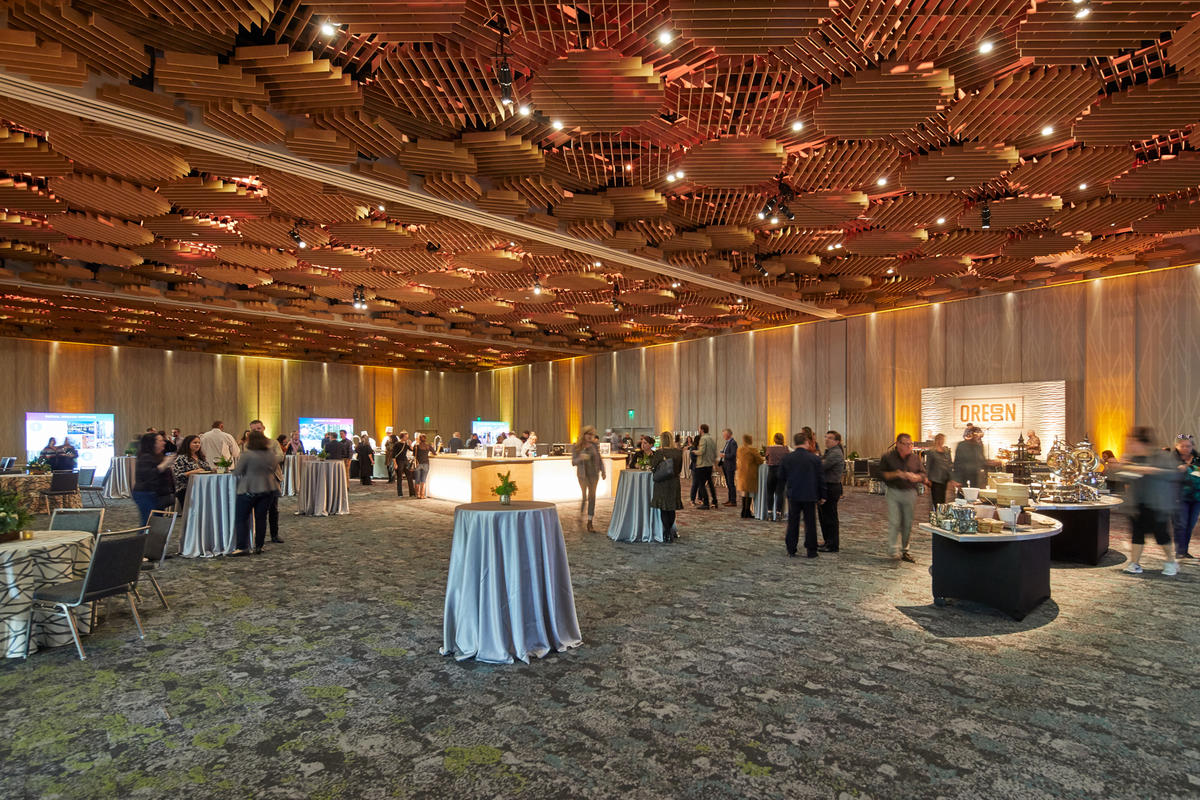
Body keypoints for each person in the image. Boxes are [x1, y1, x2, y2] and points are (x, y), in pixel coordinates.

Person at [1115, 427, 1179, 576]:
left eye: (1132, 443)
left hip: (1158, 504)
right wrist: (1121, 467)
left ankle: (1171, 562)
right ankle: (1135, 563)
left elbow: (1174, 475)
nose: (1130, 446)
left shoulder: (1163, 457)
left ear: (1142, 443)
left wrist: (1152, 470)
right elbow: (1125, 477)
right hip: (1137, 504)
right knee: (1137, 535)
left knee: (1161, 536)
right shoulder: (1133, 459)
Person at [231, 431, 281, 556]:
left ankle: (242, 547)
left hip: (249, 489)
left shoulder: (247, 455)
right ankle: (259, 545)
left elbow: (237, 472)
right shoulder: (271, 454)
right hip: (268, 489)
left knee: (241, 518)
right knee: (261, 518)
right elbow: (274, 469)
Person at [880, 433, 928, 564]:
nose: (909, 446)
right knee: (895, 521)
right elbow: (881, 474)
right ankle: (892, 549)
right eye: (906, 444)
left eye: (911, 444)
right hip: (893, 491)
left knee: (907, 523)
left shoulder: (915, 458)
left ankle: (904, 550)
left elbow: (923, 474)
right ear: (898, 444)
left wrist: (917, 477)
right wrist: (895, 474)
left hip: (910, 492)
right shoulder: (888, 457)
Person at [779, 431, 825, 558]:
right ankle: (811, 550)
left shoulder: (787, 458)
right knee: (810, 523)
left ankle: (791, 549)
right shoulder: (815, 459)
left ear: (795, 443)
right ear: (807, 442)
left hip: (794, 494)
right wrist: (823, 495)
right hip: (810, 494)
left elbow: (781, 477)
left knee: (793, 522)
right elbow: (821, 478)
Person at [246, 420, 286, 544]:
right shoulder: (248, 445)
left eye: (258, 428)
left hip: (272, 478)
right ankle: (257, 538)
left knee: (273, 508)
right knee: (256, 509)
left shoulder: (273, 443)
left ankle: (274, 534)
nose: (257, 431)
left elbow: (280, 456)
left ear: (263, 428)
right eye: (254, 430)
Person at [132, 432, 175, 525]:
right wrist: (165, 464)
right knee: (148, 523)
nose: (164, 442)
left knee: (156, 522)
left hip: (157, 494)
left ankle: (153, 539)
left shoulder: (159, 456)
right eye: (160, 441)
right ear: (152, 443)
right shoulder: (145, 457)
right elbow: (149, 475)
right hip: (146, 493)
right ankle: (143, 539)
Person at [650, 431, 683, 543]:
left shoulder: (660, 452)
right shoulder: (679, 452)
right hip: (674, 482)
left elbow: (653, 467)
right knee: (671, 508)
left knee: (664, 508)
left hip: (662, 483)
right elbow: (679, 469)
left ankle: (666, 532)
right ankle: (669, 532)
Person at [572, 426, 606, 532]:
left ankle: (590, 522)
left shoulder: (595, 446)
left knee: (592, 496)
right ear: (584, 434)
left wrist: (603, 471)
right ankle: (581, 514)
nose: (591, 436)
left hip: (594, 475)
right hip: (583, 475)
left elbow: (599, 459)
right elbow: (573, 462)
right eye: (589, 434)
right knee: (584, 496)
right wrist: (580, 457)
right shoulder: (577, 446)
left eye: (592, 434)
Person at [1173, 435, 1200, 560]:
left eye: (1188, 446)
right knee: (1181, 524)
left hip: (1196, 497)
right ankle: (1179, 551)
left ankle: (1185, 550)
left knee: (1190, 525)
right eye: (1182, 446)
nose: (1185, 448)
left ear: (1192, 446)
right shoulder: (1172, 460)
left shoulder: (1198, 459)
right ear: (1176, 446)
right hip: (1179, 497)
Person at [819, 431, 845, 552]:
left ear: (837, 441)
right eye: (826, 437)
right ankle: (827, 541)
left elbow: (822, 466)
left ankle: (832, 545)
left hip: (831, 487)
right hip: (826, 486)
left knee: (830, 517)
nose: (826, 440)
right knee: (824, 516)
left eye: (830, 438)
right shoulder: (830, 452)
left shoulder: (835, 453)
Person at [171, 434, 210, 509]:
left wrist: (215, 469)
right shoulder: (181, 458)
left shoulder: (201, 457)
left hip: (201, 488)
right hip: (186, 489)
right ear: (187, 444)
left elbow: (208, 470)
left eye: (199, 443)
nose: (197, 444)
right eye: (195, 443)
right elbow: (178, 476)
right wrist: (193, 472)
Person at [951, 425, 986, 495]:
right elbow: (957, 464)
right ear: (972, 435)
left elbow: (982, 461)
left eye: (980, 436)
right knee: (963, 498)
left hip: (975, 478)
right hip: (963, 478)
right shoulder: (962, 445)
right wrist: (956, 480)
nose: (979, 437)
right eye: (977, 435)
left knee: (974, 498)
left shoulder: (979, 446)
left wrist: (990, 463)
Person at [736, 434, 764, 518]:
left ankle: (743, 511)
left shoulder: (739, 449)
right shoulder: (752, 450)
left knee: (744, 492)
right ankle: (747, 511)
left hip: (741, 473)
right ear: (750, 440)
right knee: (749, 492)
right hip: (750, 473)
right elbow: (760, 461)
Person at [764, 433, 789, 521]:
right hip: (781, 472)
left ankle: (770, 514)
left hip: (771, 472)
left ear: (774, 439)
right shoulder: (785, 449)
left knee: (770, 493)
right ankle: (778, 514)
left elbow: (766, 460)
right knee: (780, 494)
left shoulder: (769, 448)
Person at [924, 433, 953, 506]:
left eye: (942, 439)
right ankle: (937, 513)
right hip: (935, 479)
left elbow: (949, 464)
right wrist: (927, 478)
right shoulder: (931, 452)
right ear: (936, 440)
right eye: (939, 439)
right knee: (936, 499)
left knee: (943, 499)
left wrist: (951, 478)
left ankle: (941, 514)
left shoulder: (947, 451)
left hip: (944, 478)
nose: (941, 441)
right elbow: (928, 465)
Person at [694, 423, 718, 510]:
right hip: (709, 464)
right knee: (711, 484)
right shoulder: (711, 439)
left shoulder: (703, 439)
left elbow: (701, 451)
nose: (699, 430)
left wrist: (694, 452)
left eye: (699, 429)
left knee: (701, 484)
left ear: (702, 430)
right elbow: (715, 453)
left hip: (702, 465)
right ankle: (715, 501)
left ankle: (706, 503)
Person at [718, 428, 738, 506]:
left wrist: (724, 455)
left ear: (728, 434)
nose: (723, 436)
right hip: (726, 465)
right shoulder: (728, 442)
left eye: (724, 434)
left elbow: (733, 455)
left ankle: (733, 501)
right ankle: (730, 499)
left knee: (731, 483)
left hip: (730, 466)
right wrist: (723, 453)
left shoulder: (733, 443)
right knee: (728, 484)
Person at [412, 433, 434, 498]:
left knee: (417, 480)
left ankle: (417, 494)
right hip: (426, 464)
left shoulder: (416, 446)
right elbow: (435, 453)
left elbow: (414, 455)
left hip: (418, 464)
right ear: (426, 439)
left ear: (419, 439)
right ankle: (422, 495)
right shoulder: (428, 446)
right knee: (423, 480)